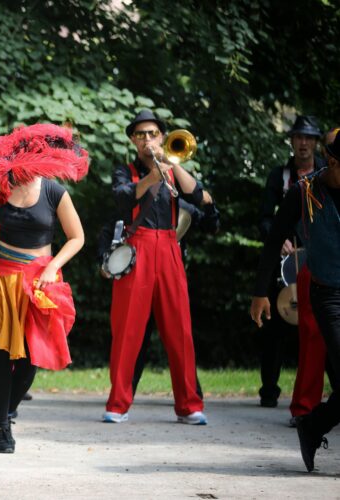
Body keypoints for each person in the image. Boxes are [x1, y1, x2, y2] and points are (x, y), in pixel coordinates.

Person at [0, 154, 85, 453]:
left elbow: (77, 237)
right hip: (2, 278)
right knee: (3, 354)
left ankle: (3, 414)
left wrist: (51, 266)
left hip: (40, 280)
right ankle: (2, 428)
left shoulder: (54, 191)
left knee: (31, 358)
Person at [103, 109, 206, 425]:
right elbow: (121, 199)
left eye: (153, 134)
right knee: (127, 329)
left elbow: (198, 196)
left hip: (170, 247)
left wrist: (171, 164)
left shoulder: (174, 167)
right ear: (133, 141)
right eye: (141, 135)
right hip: (138, 249)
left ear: (162, 137)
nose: (147, 140)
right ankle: (118, 404)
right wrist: (152, 175)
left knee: (180, 330)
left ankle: (189, 405)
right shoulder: (127, 170)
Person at [250, 134, 340, 472]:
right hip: (327, 293)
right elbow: (274, 239)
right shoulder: (304, 192)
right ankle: (312, 425)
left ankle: (313, 425)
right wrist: (261, 292)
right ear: (331, 162)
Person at [257, 115, 332, 423]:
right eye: (299, 137)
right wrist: (281, 240)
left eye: (309, 138)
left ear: (316, 144)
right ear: (292, 141)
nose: (304, 143)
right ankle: (269, 391)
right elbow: (265, 218)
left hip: (318, 262)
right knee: (274, 329)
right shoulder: (280, 176)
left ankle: (319, 399)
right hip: (285, 261)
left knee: (319, 332)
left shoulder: (327, 176)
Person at [129, 191, 219, 395]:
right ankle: (125, 392)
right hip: (142, 278)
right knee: (137, 337)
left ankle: (191, 394)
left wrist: (209, 203)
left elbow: (211, 226)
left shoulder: (183, 204)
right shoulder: (141, 198)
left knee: (179, 338)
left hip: (170, 280)